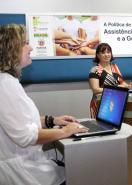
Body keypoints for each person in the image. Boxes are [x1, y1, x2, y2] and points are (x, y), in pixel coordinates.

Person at [0, 24, 88, 185]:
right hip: (22, 172)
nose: (31, 47)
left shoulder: (8, 82)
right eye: (26, 43)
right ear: (11, 49)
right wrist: (65, 132)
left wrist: (52, 120)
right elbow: (25, 136)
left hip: (30, 164)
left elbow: (20, 121)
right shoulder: (5, 84)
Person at [88, 43, 132, 118]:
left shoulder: (115, 67)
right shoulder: (95, 70)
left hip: (115, 103)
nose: (107, 55)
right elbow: (95, 90)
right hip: (100, 104)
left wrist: (130, 86)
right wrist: (116, 87)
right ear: (98, 55)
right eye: (103, 52)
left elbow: (122, 83)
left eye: (108, 52)